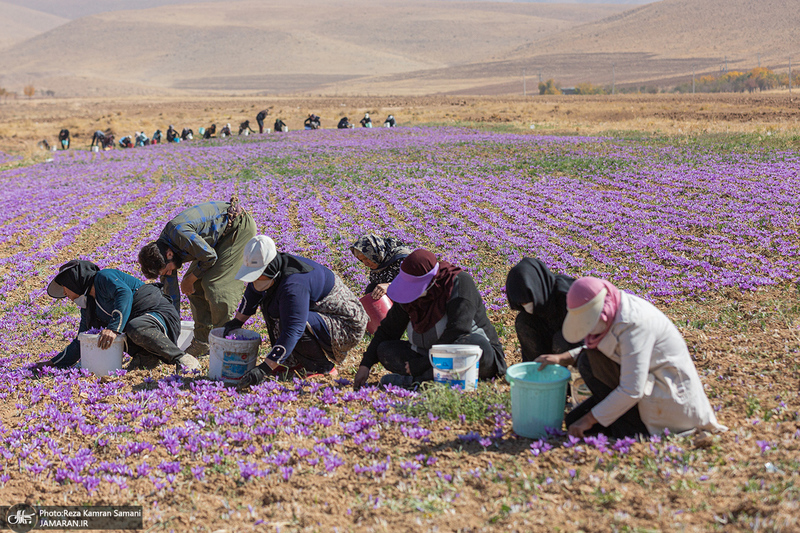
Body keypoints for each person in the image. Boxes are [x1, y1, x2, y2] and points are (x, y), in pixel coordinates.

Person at [537, 276, 727, 439]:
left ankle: (633, 427)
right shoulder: (614, 308)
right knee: (573, 419)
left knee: (589, 365)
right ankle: (621, 420)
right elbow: (609, 348)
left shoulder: (635, 324)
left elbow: (631, 389)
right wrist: (563, 358)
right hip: (644, 387)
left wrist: (589, 419)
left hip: (668, 400)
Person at [353, 249, 507, 390]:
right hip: (426, 356)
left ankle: (418, 382)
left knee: (476, 345)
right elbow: (388, 330)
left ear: (431, 281)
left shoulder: (458, 282)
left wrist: (425, 363)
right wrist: (365, 365)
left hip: (466, 356)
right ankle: (429, 379)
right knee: (385, 350)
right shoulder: (408, 294)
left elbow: (458, 331)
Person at [229, 236, 368, 390]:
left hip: (345, 323)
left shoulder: (293, 285)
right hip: (318, 315)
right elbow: (253, 292)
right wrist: (236, 322)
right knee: (277, 308)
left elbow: (294, 328)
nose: (254, 280)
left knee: (291, 321)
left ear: (269, 267)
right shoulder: (273, 270)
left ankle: (322, 367)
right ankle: (295, 361)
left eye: (257, 274)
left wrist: (264, 368)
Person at [31, 260, 200, 374]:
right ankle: (148, 357)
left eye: (65, 288)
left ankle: (182, 358)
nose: (65, 293)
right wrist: (53, 364)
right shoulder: (89, 306)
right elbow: (80, 341)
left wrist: (114, 328)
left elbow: (123, 293)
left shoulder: (104, 277)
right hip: (141, 328)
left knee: (134, 327)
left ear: (74, 280)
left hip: (158, 314)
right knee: (122, 332)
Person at [138, 197, 256, 357]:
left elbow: (209, 257)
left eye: (166, 271)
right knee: (194, 287)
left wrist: (189, 279)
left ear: (169, 254)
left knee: (215, 285)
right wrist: (170, 340)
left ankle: (223, 341)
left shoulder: (179, 233)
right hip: (216, 240)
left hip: (237, 228)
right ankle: (202, 342)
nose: (167, 274)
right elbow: (172, 297)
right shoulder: (164, 254)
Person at [505, 258, 581, 362]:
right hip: (551, 337)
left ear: (536, 290)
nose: (525, 306)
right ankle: (538, 368)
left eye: (527, 301)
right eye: (521, 304)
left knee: (560, 341)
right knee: (523, 320)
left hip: (577, 349)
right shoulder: (539, 298)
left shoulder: (568, 295)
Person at [350, 235, 412, 300]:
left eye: (366, 258)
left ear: (374, 252)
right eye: (362, 260)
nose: (365, 264)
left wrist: (390, 286)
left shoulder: (403, 259)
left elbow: (414, 285)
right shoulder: (379, 262)